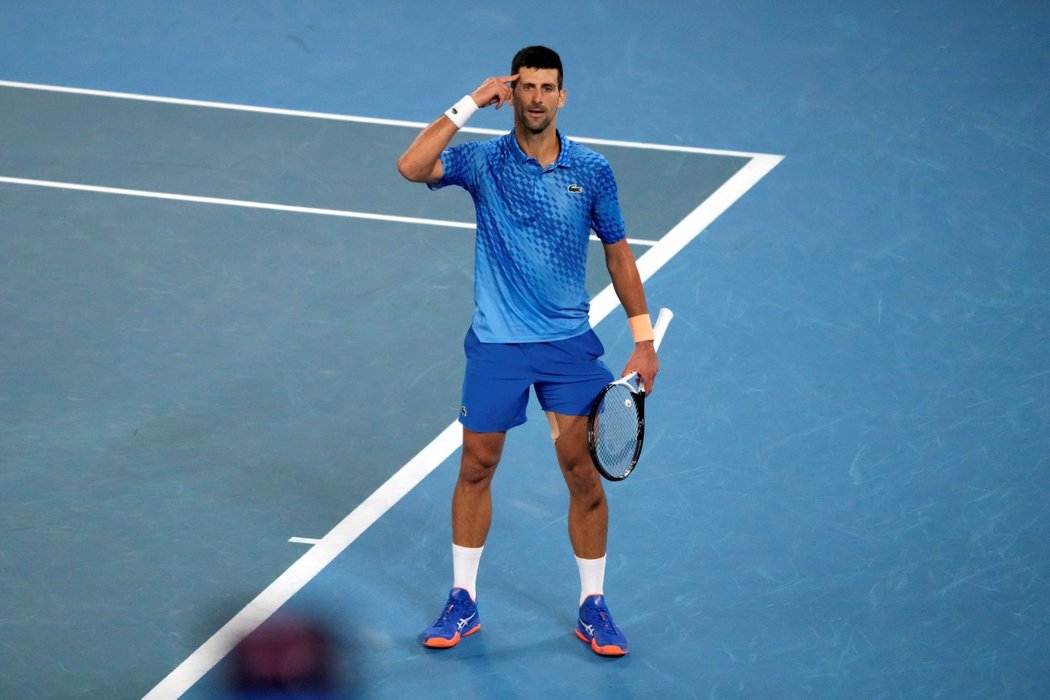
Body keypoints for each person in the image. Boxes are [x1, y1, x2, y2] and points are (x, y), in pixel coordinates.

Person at [396, 45, 659, 657]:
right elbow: (412, 166)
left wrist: (643, 339)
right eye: (527, 87)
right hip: (497, 346)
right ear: (511, 94)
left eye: (548, 87)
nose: (537, 97)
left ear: (562, 96)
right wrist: (468, 102)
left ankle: (593, 606)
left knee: (583, 474)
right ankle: (463, 600)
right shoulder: (483, 161)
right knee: (476, 467)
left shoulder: (591, 169)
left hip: (567, 346)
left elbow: (618, 252)